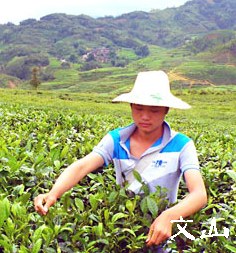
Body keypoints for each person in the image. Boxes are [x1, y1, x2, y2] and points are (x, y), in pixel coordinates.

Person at [34, 71, 207, 250]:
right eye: (139, 108)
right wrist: (53, 193)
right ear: (131, 106)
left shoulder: (182, 145)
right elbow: (82, 166)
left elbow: (199, 194)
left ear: (166, 110)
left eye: (154, 110)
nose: (145, 116)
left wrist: (169, 216)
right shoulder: (116, 139)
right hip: (122, 231)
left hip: (160, 235)